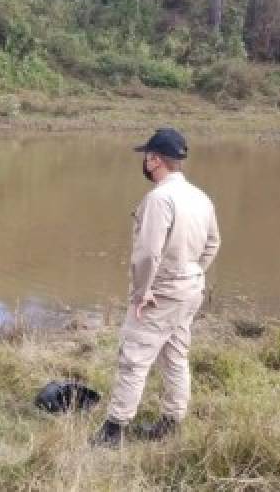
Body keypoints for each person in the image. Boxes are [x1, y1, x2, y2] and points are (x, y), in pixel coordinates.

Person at [92, 128, 221, 448]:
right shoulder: (200, 196)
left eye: (146, 157)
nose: (145, 162)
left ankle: (113, 430)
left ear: (154, 159)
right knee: (176, 354)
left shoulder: (159, 198)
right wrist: (193, 274)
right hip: (190, 288)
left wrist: (142, 292)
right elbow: (213, 243)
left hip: (161, 292)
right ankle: (171, 421)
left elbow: (149, 252)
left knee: (134, 357)